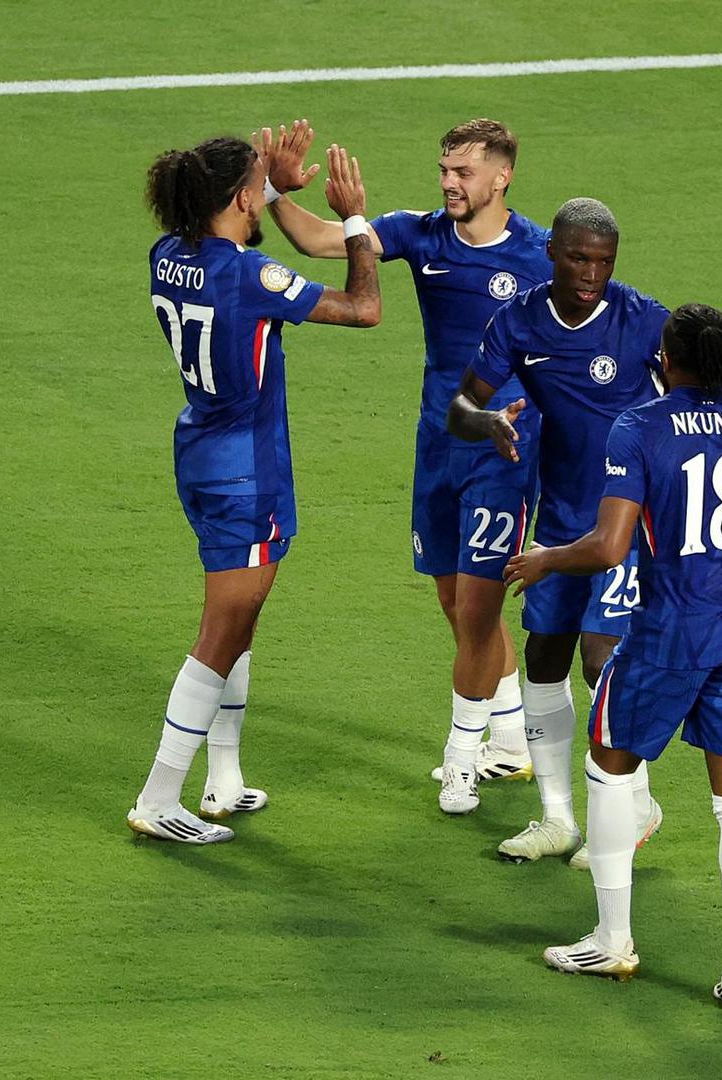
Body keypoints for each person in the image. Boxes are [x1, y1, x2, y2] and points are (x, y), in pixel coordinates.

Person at [504, 303, 722, 1011]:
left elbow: (609, 547)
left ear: (665, 362)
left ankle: (613, 939)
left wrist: (546, 558)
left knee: (609, 767)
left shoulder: (641, 426)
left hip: (666, 636)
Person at [263, 119, 551, 813]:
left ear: (502, 176)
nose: (449, 183)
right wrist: (273, 193)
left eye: (463, 173)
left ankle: (462, 760)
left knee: (477, 606)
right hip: (438, 441)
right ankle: (511, 738)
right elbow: (321, 242)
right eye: (445, 170)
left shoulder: (542, 253)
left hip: (505, 449)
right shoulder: (419, 234)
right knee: (455, 600)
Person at [126, 136, 381, 844]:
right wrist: (354, 220)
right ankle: (158, 797)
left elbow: (229, 233)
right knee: (222, 631)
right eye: (258, 185)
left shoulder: (166, 255)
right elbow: (364, 308)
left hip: (202, 452)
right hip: (246, 471)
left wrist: (270, 189)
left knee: (240, 621)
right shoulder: (248, 275)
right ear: (239, 198)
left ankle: (223, 777)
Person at [447, 198, 667, 861]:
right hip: (562, 516)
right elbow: (461, 405)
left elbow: (701, 395)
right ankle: (557, 819)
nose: (592, 274)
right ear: (551, 253)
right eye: (578, 258)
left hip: (627, 520)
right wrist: (488, 422)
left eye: (604, 262)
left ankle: (636, 805)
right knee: (545, 657)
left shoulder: (643, 320)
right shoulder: (519, 321)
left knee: (600, 658)